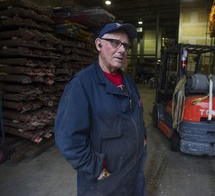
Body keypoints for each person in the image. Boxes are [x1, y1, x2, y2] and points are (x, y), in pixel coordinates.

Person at [54, 23, 147, 196]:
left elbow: (137, 113)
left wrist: (143, 137)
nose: (121, 50)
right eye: (114, 43)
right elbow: (68, 139)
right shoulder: (81, 85)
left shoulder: (129, 82)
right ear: (98, 44)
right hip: (105, 184)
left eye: (125, 45)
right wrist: (96, 169)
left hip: (134, 174)